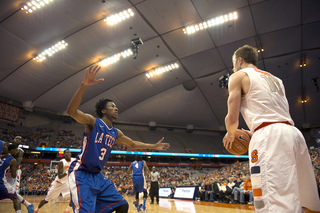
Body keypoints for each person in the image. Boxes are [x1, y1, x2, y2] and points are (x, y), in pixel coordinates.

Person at [223, 45, 320, 212]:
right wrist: (253, 131)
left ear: (240, 60)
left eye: (233, 63)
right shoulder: (276, 80)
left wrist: (231, 133)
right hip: (293, 133)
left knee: (273, 201)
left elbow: (232, 118)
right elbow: (273, 115)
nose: (233, 67)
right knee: (304, 199)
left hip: (270, 137)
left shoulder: (238, 76)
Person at [67, 65, 170, 213]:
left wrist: (154, 146)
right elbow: (71, 111)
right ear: (103, 110)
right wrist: (83, 86)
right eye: (112, 106)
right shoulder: (93, 122)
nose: (116, 108)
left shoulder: (115, 132)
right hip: (81, 173)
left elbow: (133, 144)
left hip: (98, 176)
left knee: (122, 205)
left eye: (116, 107)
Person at [7, 143, 34, 213]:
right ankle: (27, 204)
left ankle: (27, 205)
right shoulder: (7, 149)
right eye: (16, 138)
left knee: (13, 191)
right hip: (6, 172)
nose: (17, 140)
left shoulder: (20, 151)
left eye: (19, 139)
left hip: (15, 171)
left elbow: (16, 165)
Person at [0, 142, 21, 213]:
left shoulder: (1, 156)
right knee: (16, 198)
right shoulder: (12, 160)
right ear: (11, 150)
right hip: (1, 183)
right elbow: (13, 175)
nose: (17, 152)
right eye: (16, 150)